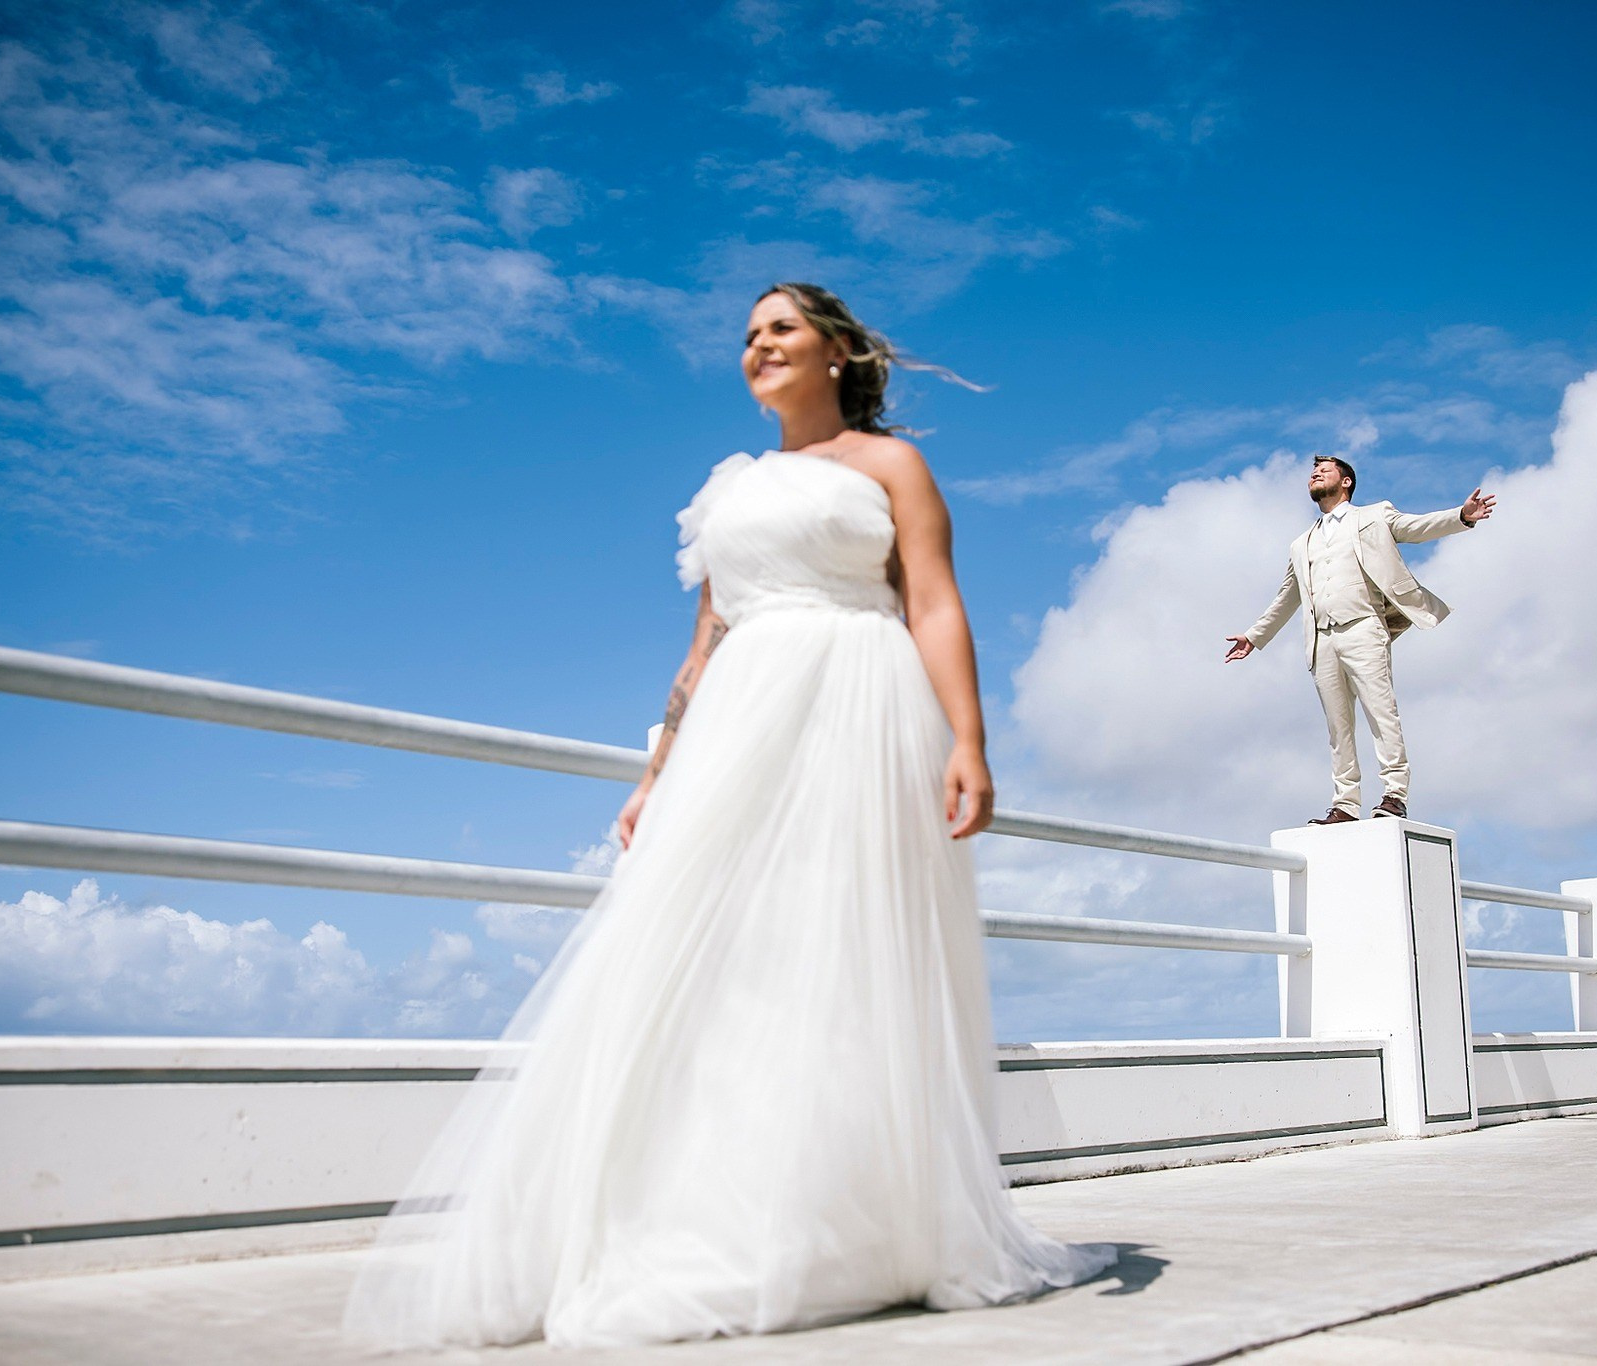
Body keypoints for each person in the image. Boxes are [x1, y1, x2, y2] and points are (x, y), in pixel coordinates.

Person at [343, 282, 1113, 1350]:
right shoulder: (730, 489)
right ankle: (688, 1213)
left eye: (781, 328)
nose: (758, 345)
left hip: (859, 705)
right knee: (710, 955)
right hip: (741, 719)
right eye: (748, 334)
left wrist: (969, 742)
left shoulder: (890, 466)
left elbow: (931, 601)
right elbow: (704, 641)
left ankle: (855, 1223)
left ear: (838, 350)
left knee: (837, 955)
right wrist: (655, 771)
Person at [1223, 455, 1495, 824]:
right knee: (1338, 727)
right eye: (1312, 472)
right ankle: (1345, 804)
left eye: (1324, 470)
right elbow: (1288, 595)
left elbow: (1415, 527)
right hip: (1322, 640)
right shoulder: (1300, 544)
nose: (1315, 474)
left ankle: (1394, 795)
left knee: (1382, 713)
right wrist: (1255, 636)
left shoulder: (1374, 515)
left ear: (1346, 482)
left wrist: (1460, 516)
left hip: (1363, 627)